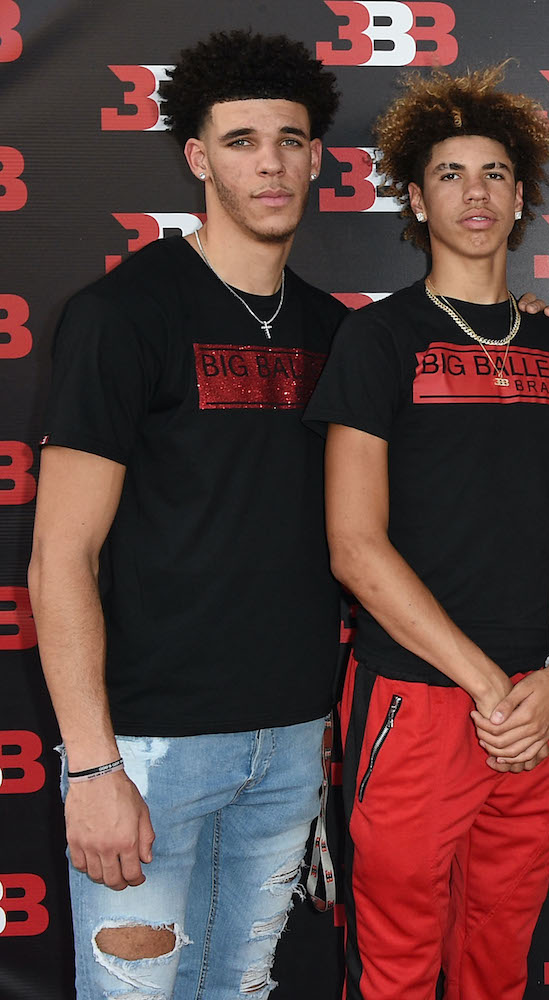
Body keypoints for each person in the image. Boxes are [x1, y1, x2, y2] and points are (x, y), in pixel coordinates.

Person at [29, 30, 344, 999]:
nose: (271, 163)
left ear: (316, 157)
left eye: (289, 140)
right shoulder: (123, 315)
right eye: (242, 140)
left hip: (290, 741)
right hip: (152, 750)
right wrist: (92, 768)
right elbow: (61, 557)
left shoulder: (337, 332)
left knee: (238, 989)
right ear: (198, 157)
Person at [303, 65, 549, 1000]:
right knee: (393, 969)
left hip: (538, 708)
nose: (476, 192)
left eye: (497, 173)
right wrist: (486, 684)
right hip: (420, 703)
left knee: (497, 966)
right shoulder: (379, 340)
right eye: (452, 174)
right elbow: (355, 544)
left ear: (522, 198)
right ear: (417, 200)